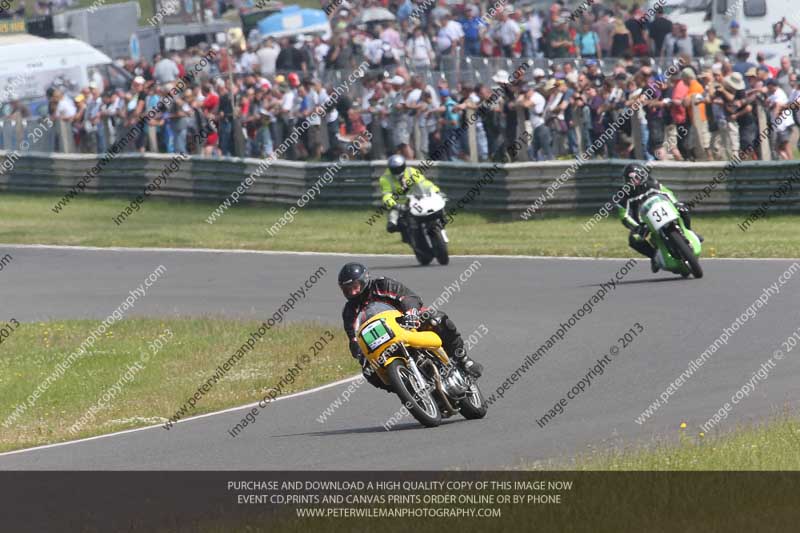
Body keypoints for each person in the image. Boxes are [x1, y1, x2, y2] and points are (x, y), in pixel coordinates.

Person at [338, 262, 483, 392]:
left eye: (354, 287)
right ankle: (406, 388)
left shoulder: (381, 285)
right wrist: (359, 352)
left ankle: (463, 360)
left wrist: (411, 314)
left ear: (364, 280)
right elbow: (354, 337)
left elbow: (408, 297)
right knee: (368, 370)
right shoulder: (349, 311)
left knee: (436, 319)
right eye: (347, 290)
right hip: (384, 342)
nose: (352, 293)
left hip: (408, 324)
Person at [614, 163, 697, 272]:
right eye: (630, 179)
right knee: (633, 239)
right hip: (643, 223)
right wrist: (636, 227)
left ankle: (689, 232)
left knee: (683, 210)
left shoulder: (652, 183)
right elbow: (623, 216)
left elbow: (667, 193)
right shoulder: (623, 195)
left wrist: (676, 203)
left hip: (663, 210)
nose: (634, 181)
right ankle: (654, 256)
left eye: (637, 178)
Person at [380, 154, 441, 237]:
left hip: (416, 199)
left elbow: (424, 183)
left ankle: (439, 223)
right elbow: (387, 195)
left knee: (436, 207)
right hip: (400, 204)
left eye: (400, 168)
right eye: (395, 169)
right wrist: (394, 205)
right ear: (390, 169)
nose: (398, 171)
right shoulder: (385, 178)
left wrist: (435, 190)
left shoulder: (411, 171)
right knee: (392, 222)